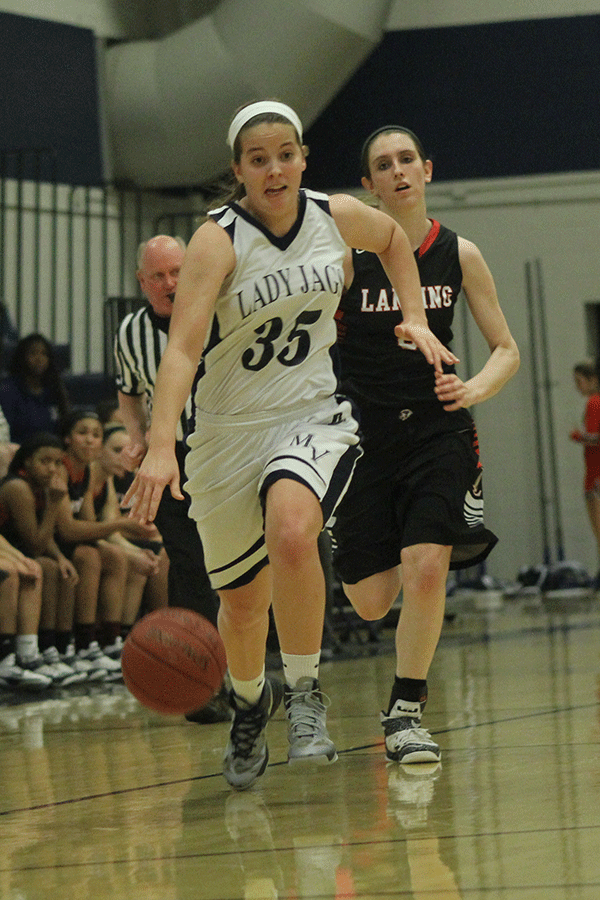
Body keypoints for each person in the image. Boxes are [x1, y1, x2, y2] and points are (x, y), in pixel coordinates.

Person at [124, 100, 456, 790]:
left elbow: (396, 243)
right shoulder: (217, 241)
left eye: (285, 153)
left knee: (296, 531)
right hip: (223, 434)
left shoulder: (333, 216)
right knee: (242, 606)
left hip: (309, 414)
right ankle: (252, 703)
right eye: (257, 158)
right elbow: (182, 348)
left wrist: (416, 318)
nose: (274, 168)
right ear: (239, 171)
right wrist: (161, 444)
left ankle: (305, 693)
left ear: (303, 157)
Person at [332, 125, 520, 765]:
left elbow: (506, 348)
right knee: (371, 598)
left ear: (428, 170)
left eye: (407, 159)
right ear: (369, 185)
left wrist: (475, 389)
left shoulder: (460, 252)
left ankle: (406, 711)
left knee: (429, 567)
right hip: (361, 433)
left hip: (438, 429)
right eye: (383, 164)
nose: (398, 171)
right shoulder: (346, 253)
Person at [114, 233, 230, 724]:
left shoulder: (223, 315)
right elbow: (127, 392)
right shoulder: (130, 333)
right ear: (143, 283)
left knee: (239, 568)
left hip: (228, 454)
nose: (170, 282)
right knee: (190, 566)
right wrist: (137, 435)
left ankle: (260, 671)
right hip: (172, 462)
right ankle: (201, 681)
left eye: (179, 272)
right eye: (159, 275)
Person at [90, 422, 169, 647]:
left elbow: (118, 525)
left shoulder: (116, 478)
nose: (123, 456)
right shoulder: (93, 476)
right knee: (116, 559)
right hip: (92, 543)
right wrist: (128, 536)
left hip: (112, 540)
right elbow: (104, 526)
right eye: (116, 450)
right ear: (100, 451)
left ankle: (147, 634)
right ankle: (104, 639)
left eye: (129, 450)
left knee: (153, 556)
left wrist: (136, 550)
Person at [0, 333, 70, 443]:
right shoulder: (8, 391)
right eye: (33, 353)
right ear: (22, 357)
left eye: (44, 354)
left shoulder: (54, 389)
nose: (39, 358)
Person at [570, 360, 600, 588]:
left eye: (579, 381)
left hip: (595, 473)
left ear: (591, 381)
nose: (577, 386)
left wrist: (579, 436)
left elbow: (596, 437)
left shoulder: (594, 403)